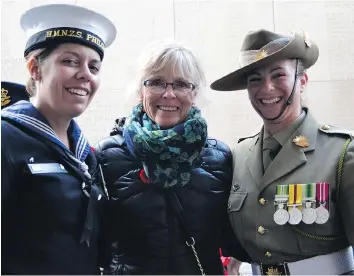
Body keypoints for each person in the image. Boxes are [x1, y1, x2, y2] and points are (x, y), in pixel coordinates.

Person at [95, 40, 250, 275]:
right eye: (156, 82)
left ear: (194, 93)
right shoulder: (106, 156)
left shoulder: (220, 157)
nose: (169, 94)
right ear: (141, 91)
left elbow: (234, 237)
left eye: (180, 84)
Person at [210, 29, 354, 275]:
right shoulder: (239, 155)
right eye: (255, 79)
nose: (267, 88)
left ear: (303, 81)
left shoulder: (342, 153)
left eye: (278, 75)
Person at [1, 4, 116, 274]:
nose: (86, 74)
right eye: (70, 61)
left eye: (94, 67)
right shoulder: (7, 138)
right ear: (34, 68)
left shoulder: (84, 154)